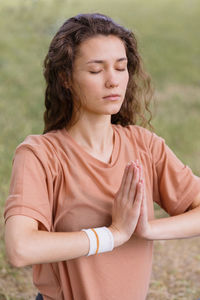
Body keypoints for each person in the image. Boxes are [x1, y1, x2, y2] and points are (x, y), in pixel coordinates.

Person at [4, 13, 200, 300]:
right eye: (96, 71)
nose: (113, 81)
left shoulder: (144, 145)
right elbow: (20, 248)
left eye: (121, 68)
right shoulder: (40, 155)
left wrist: (146, 229)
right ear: (65, 78)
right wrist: (113, 234)